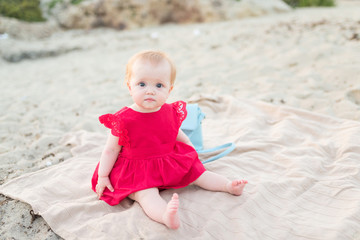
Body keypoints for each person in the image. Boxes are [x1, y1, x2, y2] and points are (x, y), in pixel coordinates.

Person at [91, 50, 247, 229]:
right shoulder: (124, 119)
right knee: (146, 194)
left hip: (166, 160)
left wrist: (191, 152)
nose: (150, 91)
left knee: (197, 173)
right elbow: (111, 150)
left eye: (159, 85)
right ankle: (165, 215)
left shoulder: (168, 111)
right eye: (141, 84)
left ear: (169, 89)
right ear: (129, 87)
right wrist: (103, 175)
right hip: (136, 169)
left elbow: (177, 134)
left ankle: (227, 185)